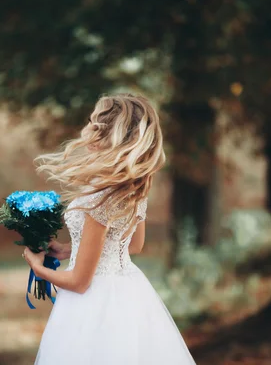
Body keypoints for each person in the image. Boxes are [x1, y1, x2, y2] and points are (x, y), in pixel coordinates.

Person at [22, 93, 197, 364]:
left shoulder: (99, 198)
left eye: (93, 122)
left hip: (94, 303)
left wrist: (38, 268)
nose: (86, 128)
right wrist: (71, 249)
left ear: (108, 134)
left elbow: (80, 283)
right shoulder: (131, 186)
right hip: (128, 294)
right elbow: (133, 246)